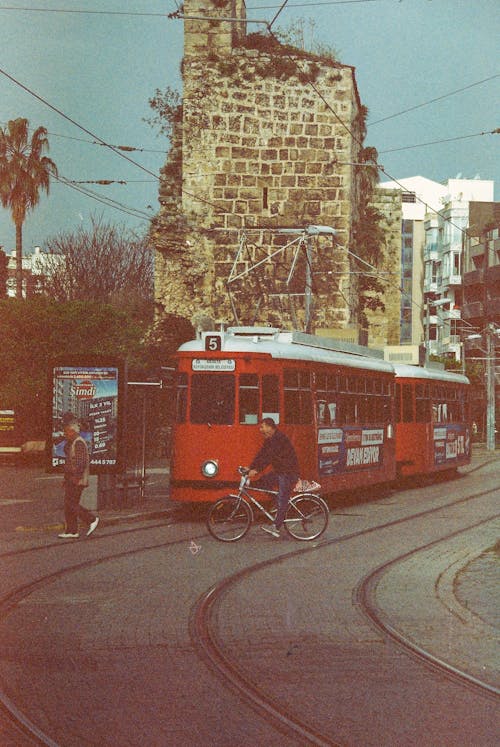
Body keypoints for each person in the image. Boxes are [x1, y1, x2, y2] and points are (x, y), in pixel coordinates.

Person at [246, 417, 299, 538]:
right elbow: (261, 454)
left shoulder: (278, 438)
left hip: (288, 472)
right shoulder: (270, 439)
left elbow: (269, 457)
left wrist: (256, 470)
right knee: (262, 482)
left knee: (282, 498)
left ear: (270, 427)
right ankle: (277, 503)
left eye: (262, 427)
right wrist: (250, 468)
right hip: (280, 471)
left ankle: (276, 527)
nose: (260, 430)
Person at [58, 419, 99, 539]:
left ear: (73, 431)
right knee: (68, 505)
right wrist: (66, 479)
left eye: (67, 432)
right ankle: (71, 531)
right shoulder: (73, 442)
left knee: (71, 504)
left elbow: (81, 463)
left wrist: (76, 478)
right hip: (71, 479)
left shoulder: (79, 443)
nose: (65, 435)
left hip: (76, 479)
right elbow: (69, 457)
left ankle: (91, 519)